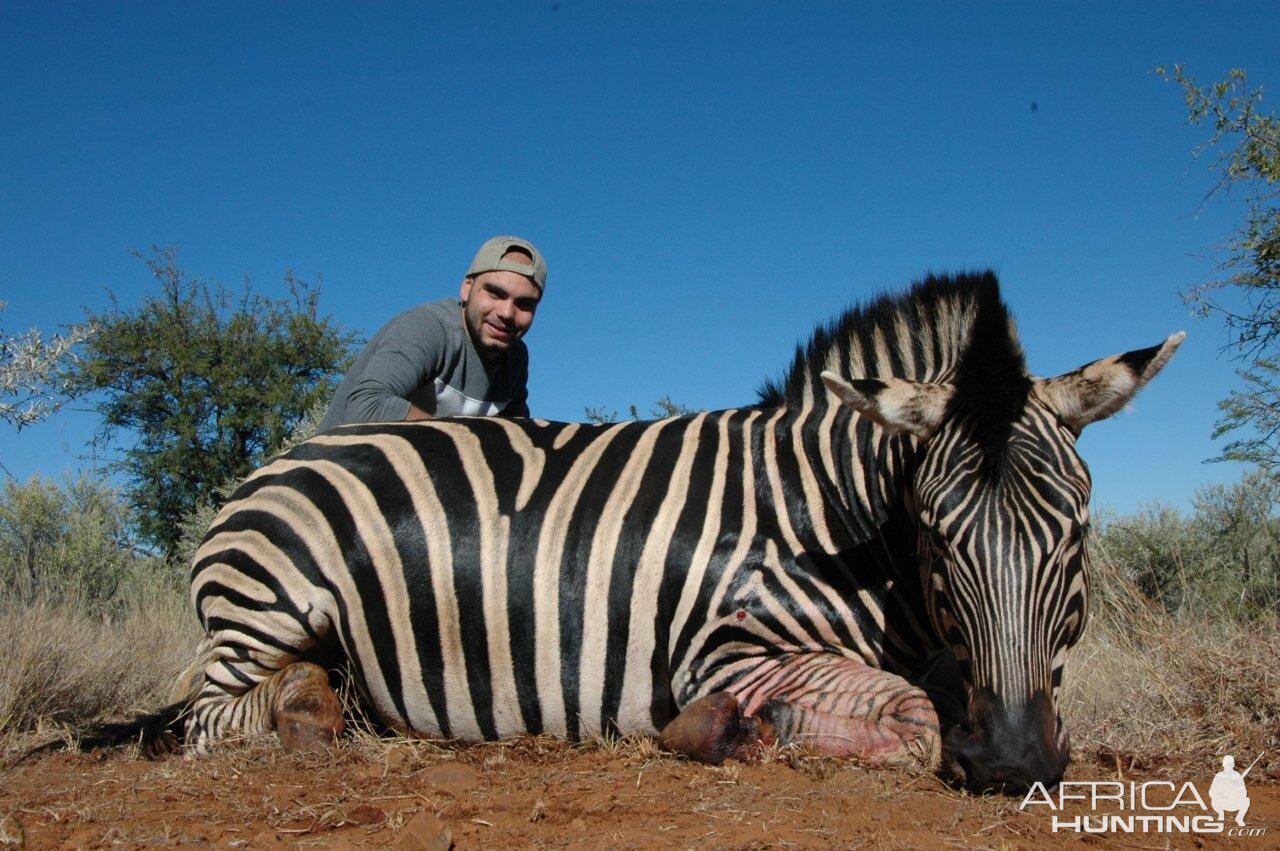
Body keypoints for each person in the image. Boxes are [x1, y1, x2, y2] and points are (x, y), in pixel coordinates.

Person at [319, 236, 545, 430]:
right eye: (495, 293)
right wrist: (466, 441)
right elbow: (366, 406)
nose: (507, 313)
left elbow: (516, 435)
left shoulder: (515, 358)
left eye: (524, 304)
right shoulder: (428, 328)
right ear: (467, 288)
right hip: (331, 472)